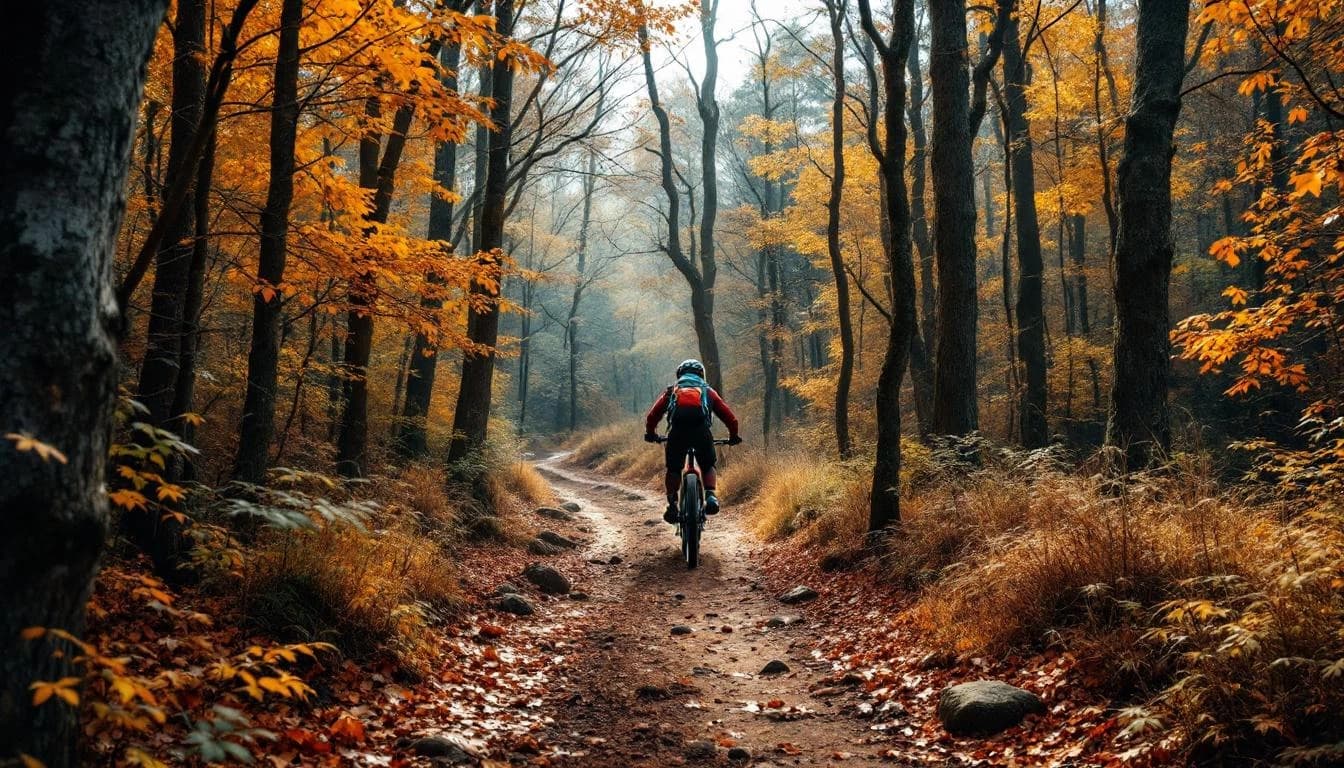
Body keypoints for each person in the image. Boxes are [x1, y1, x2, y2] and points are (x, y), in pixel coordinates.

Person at [644, 359, 742, 524]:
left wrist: (651, 434)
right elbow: (730, 418)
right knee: (708, 464)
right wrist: (733, 436)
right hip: (701, 432)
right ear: (701, 375)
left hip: (677, 434)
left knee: (674, 469)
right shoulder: (708, 391)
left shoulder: (672, 392)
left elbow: (652, 416)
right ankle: (710, 496)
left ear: (679, 374)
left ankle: (672, 505)